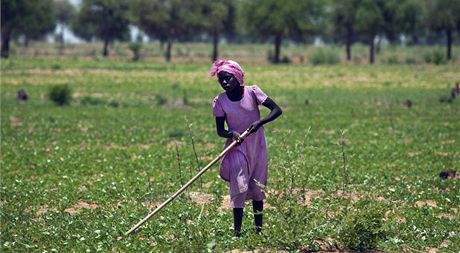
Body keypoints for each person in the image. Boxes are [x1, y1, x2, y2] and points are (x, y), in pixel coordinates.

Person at [209, 60, 282, 237]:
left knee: (257, 188)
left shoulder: (252, 92)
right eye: (221, 81)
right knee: (239, 188)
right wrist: (231, 133)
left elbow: (276, 110)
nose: (225, 83)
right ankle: (237, 233)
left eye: (227, 78)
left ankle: (258, 231)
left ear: (237, 76)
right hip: (237, 147)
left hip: (257, 145)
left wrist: (260, 122)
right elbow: (220, 130)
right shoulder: (220, 101)